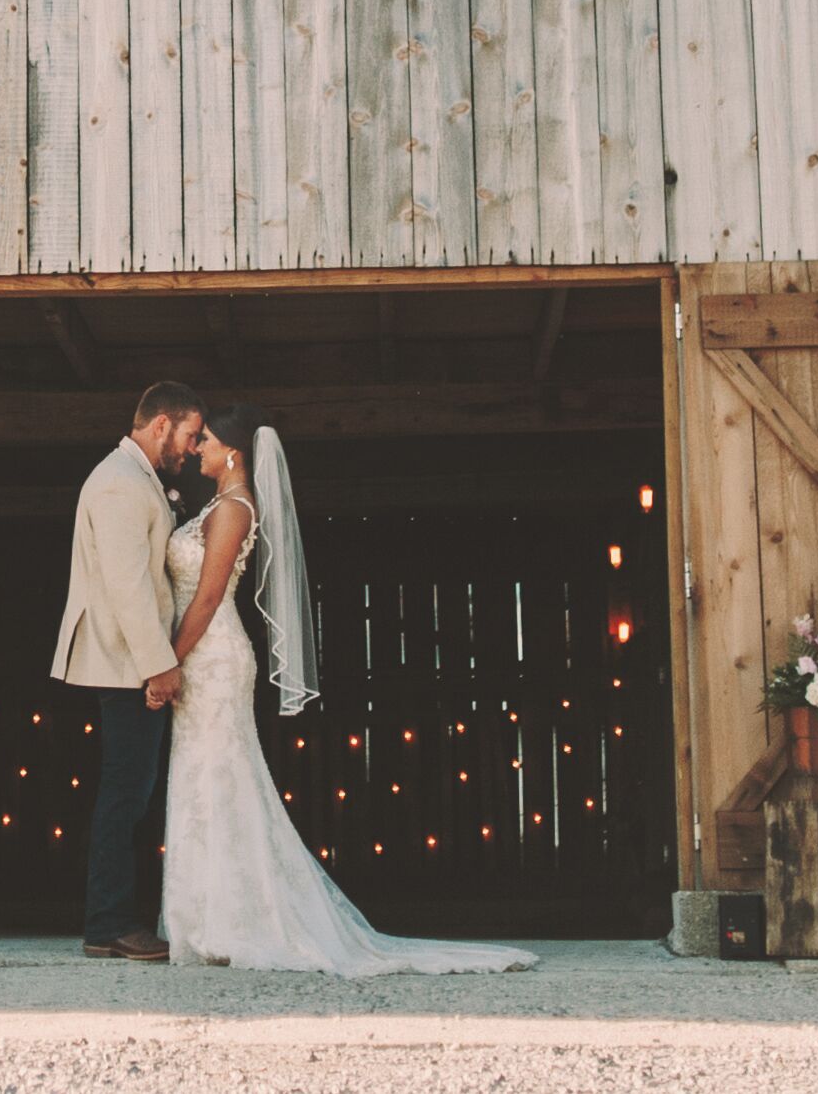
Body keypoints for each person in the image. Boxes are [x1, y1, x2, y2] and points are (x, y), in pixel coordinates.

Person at [155, 402, 534, 976]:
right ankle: (204, 915)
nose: (197, 447)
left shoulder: (234, 510)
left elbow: (207, 599)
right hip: (199, 653)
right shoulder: (213, 504)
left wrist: (168, 662)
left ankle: (233, 919)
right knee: (202, 776)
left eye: (205, 439)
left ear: (233, 452)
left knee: (221, 777)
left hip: (212, 655)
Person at [49, 379, 208, 960]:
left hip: (130, 659)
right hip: (124, 661)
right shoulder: (118, 484)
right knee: (125, 794)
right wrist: (158, 667)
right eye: (190, 434)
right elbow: (127, 586)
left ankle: (113, 918)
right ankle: (108, 923)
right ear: (161, 424)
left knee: (130, 792)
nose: (193, 448)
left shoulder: (137, 478)